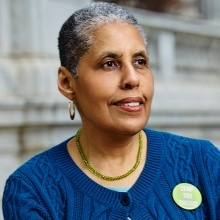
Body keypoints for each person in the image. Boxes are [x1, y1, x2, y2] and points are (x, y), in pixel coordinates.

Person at [2, 2, 220, 219]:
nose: (132, 79)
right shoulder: (33, 189)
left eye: (140, 61)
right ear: (67, 83)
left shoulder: (202, 162)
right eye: (109, 64)